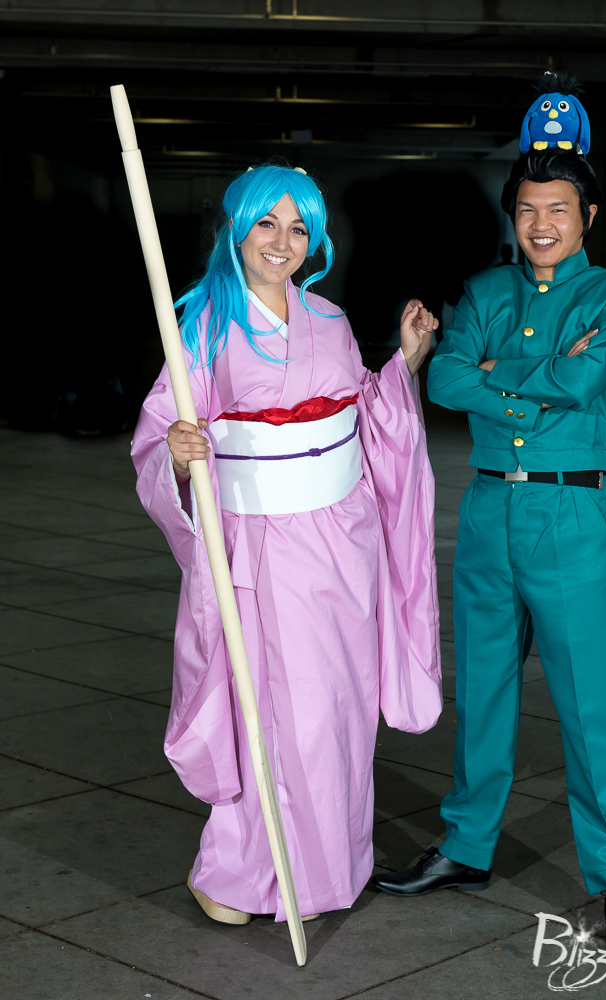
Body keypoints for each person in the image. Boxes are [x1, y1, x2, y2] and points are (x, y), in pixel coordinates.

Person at [131, 163, 443, 924]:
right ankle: (235, 874)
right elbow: (161, 430)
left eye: (299, 227)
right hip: (259, 545)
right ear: (236, 229)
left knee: (338, 707)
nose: (282, 241)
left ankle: (328, 870)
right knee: (267, 710)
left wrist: (404, 362)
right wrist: (178, 452)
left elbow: (365, 415)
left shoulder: (328, 320)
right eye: (266, 223)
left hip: (343, 539)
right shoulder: (201, 326)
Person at [373, 139, 606, 953]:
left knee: (591, 702)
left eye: (557, 209)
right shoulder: (484, 291)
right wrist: (536, 382)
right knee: (482, 692)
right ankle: (465, 848)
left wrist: (497, 374)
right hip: (489, 508)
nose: (540, 223)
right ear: (512, 215)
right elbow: (445, 380)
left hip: (570, 514)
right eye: (527, 208)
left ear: (586, 215)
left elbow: (585, 380)